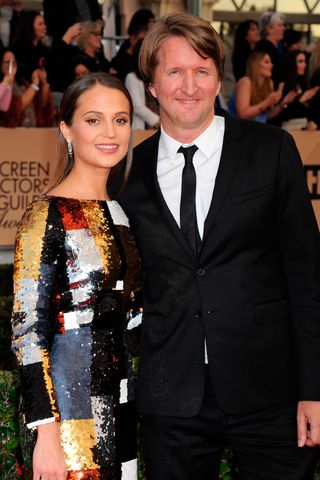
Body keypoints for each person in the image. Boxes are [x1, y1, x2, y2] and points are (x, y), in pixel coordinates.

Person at [118, 12, 320, 480]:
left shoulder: (271, 150)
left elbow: (307, 277)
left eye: (202, 71)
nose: (189, 85)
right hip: (172, 399)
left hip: (271, 392)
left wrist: (314, 390)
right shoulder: (127, 173)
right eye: (174, 71)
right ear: (151, 84)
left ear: (218, 78)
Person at [11, 72, 140, 479]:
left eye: (120, 120)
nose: (110, 132)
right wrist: (45, 432)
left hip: (120, 407)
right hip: (68, 422)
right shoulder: (45, 215)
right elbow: (26, 333)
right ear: (67, 129)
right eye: (93, 119)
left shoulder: (119, 212)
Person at [228, 51, 296, 122]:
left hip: (257, 128)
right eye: (267, 62)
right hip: (237, 127)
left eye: (271, 62)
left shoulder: (269, 83)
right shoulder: (246, 82)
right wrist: (267, 101)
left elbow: (266, 116)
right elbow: (242, 114)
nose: (271, 65)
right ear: (256, 64)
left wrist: (283, 103)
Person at [0, 49, 54, 127]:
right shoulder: (4, 84)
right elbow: (15, 109)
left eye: (14, 62)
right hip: (12, 133)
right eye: (8, 62)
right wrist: (34, 84)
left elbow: (42, 104)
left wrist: (43, 82)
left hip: (32, 130)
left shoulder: (23, 82)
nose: (11, 65)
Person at [125, 39, 160, 129]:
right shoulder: (131, 77)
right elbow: (137, 106)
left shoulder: (156, 75)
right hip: (142, 128)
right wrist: (157, 120)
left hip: (158, 125)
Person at [255, 11, 285, 87]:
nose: (283, 28)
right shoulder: (263, 48)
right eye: (280, 25)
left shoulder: (276, 48)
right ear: (269, 29)